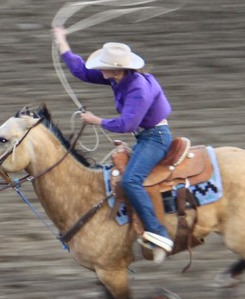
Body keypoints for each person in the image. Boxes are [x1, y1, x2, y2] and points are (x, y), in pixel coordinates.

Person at [51, 26, 175, 263]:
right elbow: (81, 71)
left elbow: (128, 123)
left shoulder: (138, 89)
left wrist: (96, 120)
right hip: (146, 136)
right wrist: (61, 41)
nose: (99, 68)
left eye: (102, 65)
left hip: (155, 138)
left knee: (130, 181)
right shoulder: (119, 78)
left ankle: (159, 233)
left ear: (116, 69)